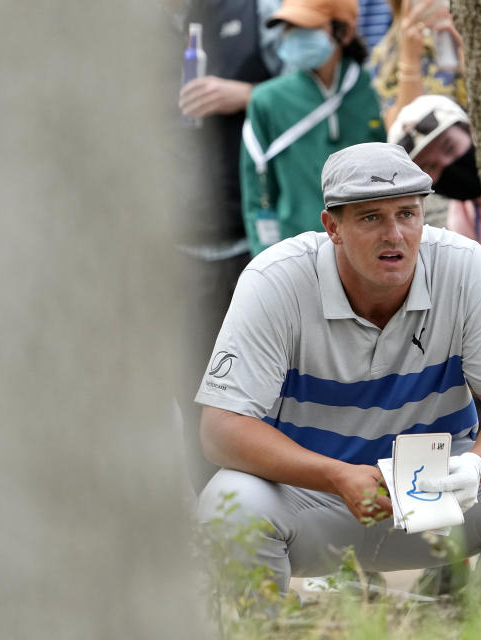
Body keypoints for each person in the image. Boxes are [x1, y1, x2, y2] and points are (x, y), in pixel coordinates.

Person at [196, 142, 481, 594]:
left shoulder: (466, 269)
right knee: (228, 504)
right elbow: (220, 429)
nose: (395, 234)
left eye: (407, 213)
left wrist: (475, 467)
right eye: (371, 218)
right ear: (333, 227)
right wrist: (334, 475)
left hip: (436, 495)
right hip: (312, 498)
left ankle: (478, 620)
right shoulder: (276, 279)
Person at [174, 0, 284, 492]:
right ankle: (211, 517)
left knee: (263, 389)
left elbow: (322, 92)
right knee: (193, 388)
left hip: (251, 240)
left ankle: (286, 517)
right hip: (174, 247)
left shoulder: (257, 11)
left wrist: (246, 94)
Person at [240, 0, 386, 256]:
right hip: (297, 256)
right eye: (289, 27)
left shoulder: (378, 90)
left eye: (308, 27)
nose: (295, 36)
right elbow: (258, 195)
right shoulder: (267, 101)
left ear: (346, 31)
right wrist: (267, 257)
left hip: (370, 253)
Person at [387, 94, 481, 262]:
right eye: (429, 167)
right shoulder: (463, 224)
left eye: (449, 147)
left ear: (470, 129)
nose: (446, 163)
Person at [369, 0, 467, 130]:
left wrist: (468, 52)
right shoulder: (386, 53)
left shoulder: (477, 30)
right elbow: (397, 130)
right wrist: (410, 59)